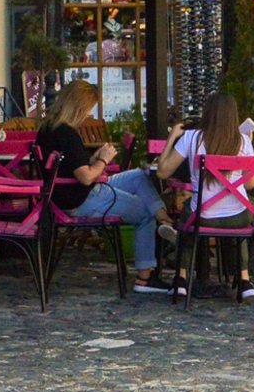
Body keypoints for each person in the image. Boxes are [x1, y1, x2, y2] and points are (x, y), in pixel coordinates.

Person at [36, 78, 177, 294]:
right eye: (88, 110)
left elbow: (73, 168)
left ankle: (164, 220)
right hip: (83, 197)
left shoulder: (46, 129)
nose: (88, 115)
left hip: (64, 195)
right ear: (79, 107)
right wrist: (104, 159)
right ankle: (145, 279)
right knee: (144, 212)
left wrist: (93, 159)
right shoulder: (68, 134)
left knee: (139, 176)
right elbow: (85, 177)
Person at [158, 92, 254, 299]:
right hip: (239, 216)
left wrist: (171, 137)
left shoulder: (192, 137)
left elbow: (162, 172)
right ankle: (244, 279)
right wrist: (249, 144)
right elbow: (249, 185)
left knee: (187, 222)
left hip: (202, 215)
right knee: (242, 218)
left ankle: (181, 279)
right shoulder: (243, 141)